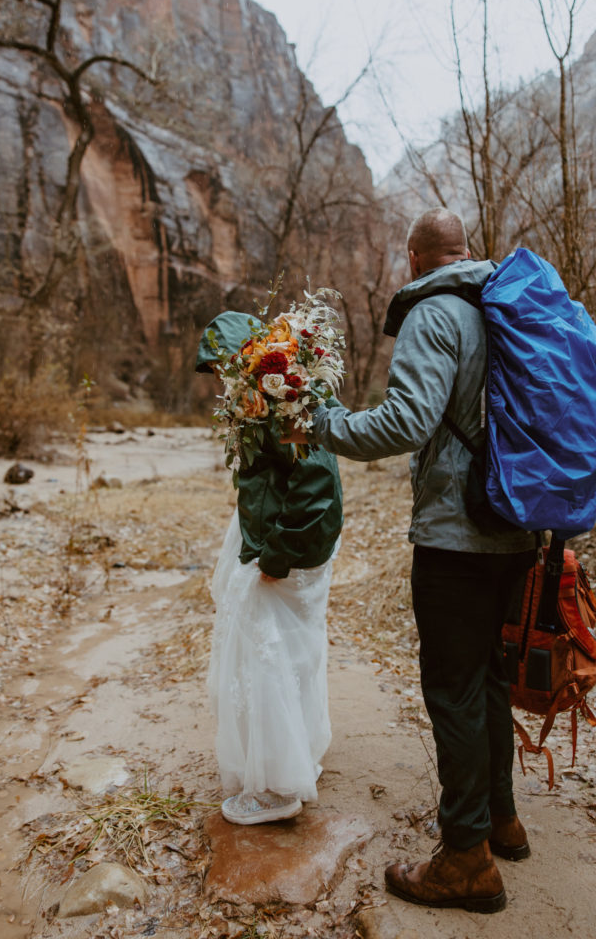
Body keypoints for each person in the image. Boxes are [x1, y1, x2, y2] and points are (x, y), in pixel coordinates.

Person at [284, 208, 535, 913]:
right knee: (485, 679)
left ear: (415, 256)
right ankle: (500, 822)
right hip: (516, 524)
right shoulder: (501, 303)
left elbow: (403, 422)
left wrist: (323, 422)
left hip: (458, 533)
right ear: (464, 250)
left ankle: (465, 860)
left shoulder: (436, 312)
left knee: (451, 688)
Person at [195, 311, 343, 826]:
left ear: (245, 358)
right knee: (289, 651)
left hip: (290, 548)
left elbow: (317, 489)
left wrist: (275, 556)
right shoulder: (262, 397)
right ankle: (296, 753)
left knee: (267, 656)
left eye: (222, 367)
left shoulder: (288, 399)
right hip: (280, 538)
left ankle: (280, 786)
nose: (220, 380)